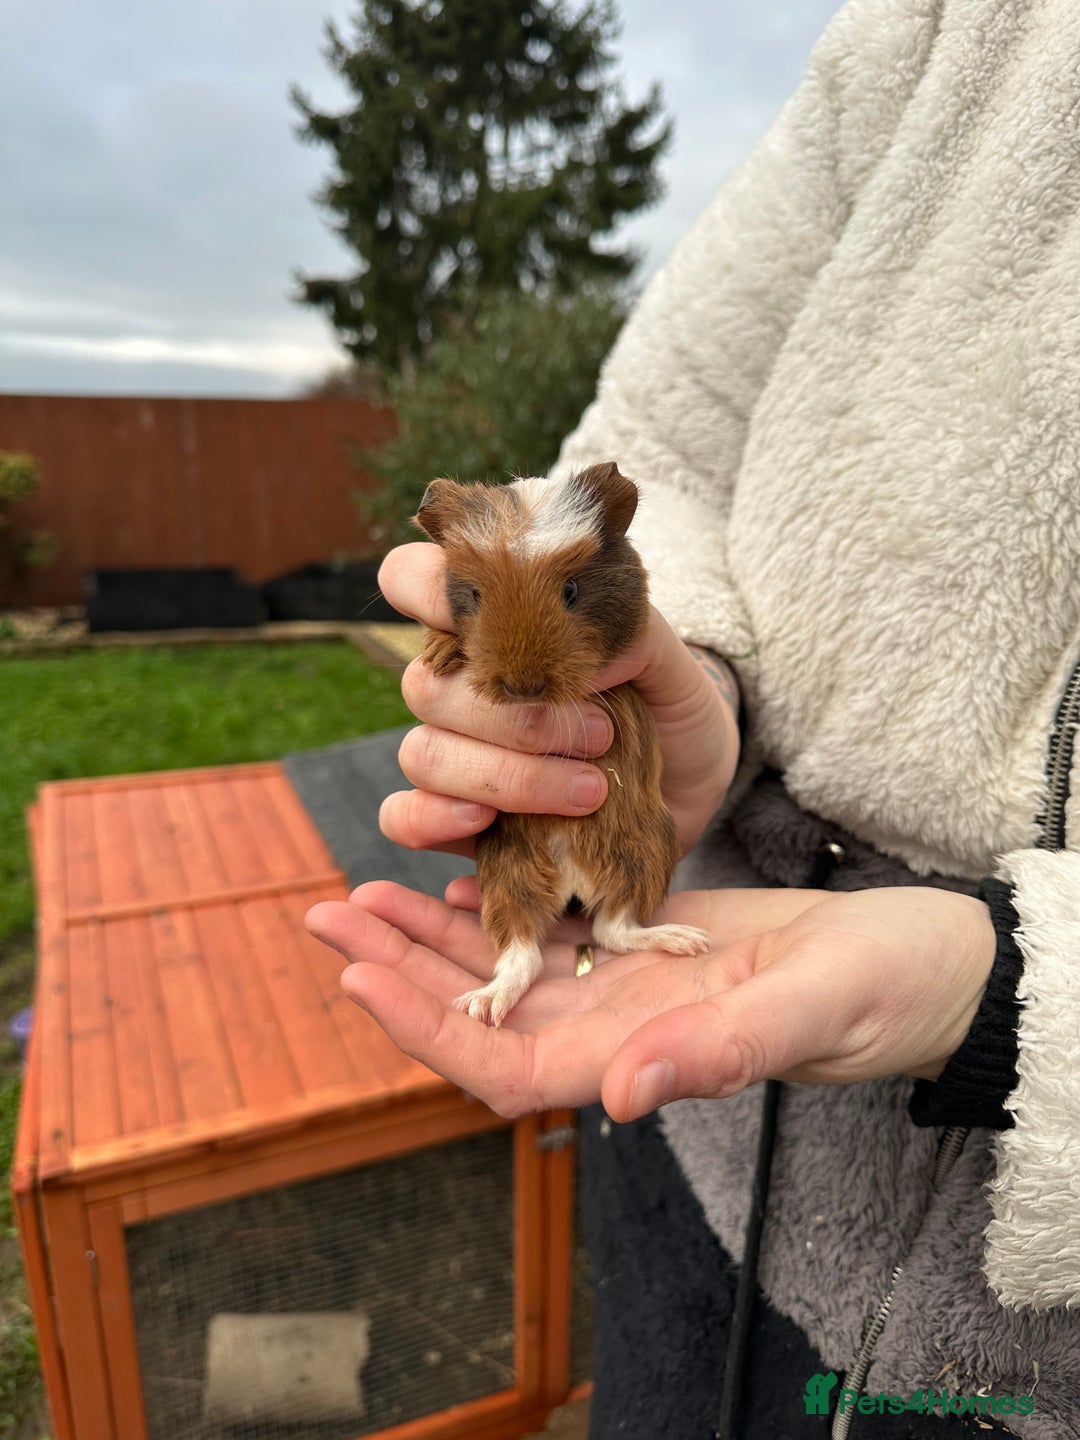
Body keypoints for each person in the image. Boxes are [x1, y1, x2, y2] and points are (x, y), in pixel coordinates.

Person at [307, 0, 1080, 1433]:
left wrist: (1024, 996)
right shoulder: (938, 23)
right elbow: (663, 429)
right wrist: (697, 689)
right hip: (698, 1146)